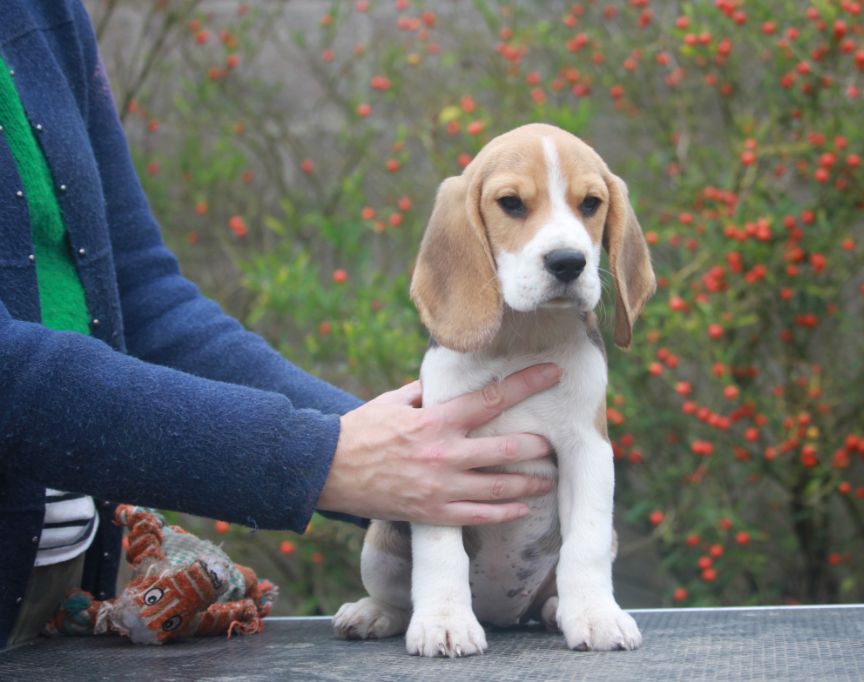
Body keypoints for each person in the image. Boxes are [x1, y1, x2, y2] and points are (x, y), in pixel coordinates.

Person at [0, 0, 558, 648]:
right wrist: (315, 458)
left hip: (62, 608)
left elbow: (143, 301)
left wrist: (425, 453)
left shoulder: (44, 12)